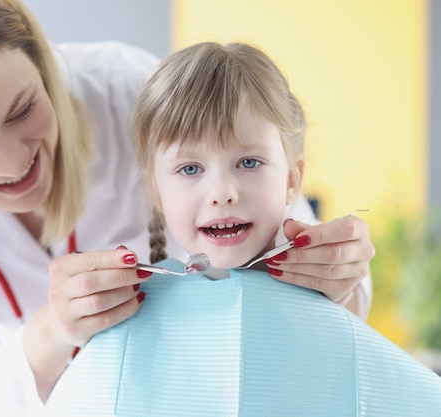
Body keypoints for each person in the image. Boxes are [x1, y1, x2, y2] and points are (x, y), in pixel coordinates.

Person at [0, 1, 374, 415]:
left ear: (39, 62)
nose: (14, 163)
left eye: (22, 110)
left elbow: (313, 278)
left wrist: (340, 274)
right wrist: (48, 335)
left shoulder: (132, 94)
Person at [45, 41, 441, 417]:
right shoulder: (125, 322)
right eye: (190, 168)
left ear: (292, 178)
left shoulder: (333, 294)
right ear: (156, 192)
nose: (221, 193)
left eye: (248, 162)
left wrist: (345, 301)